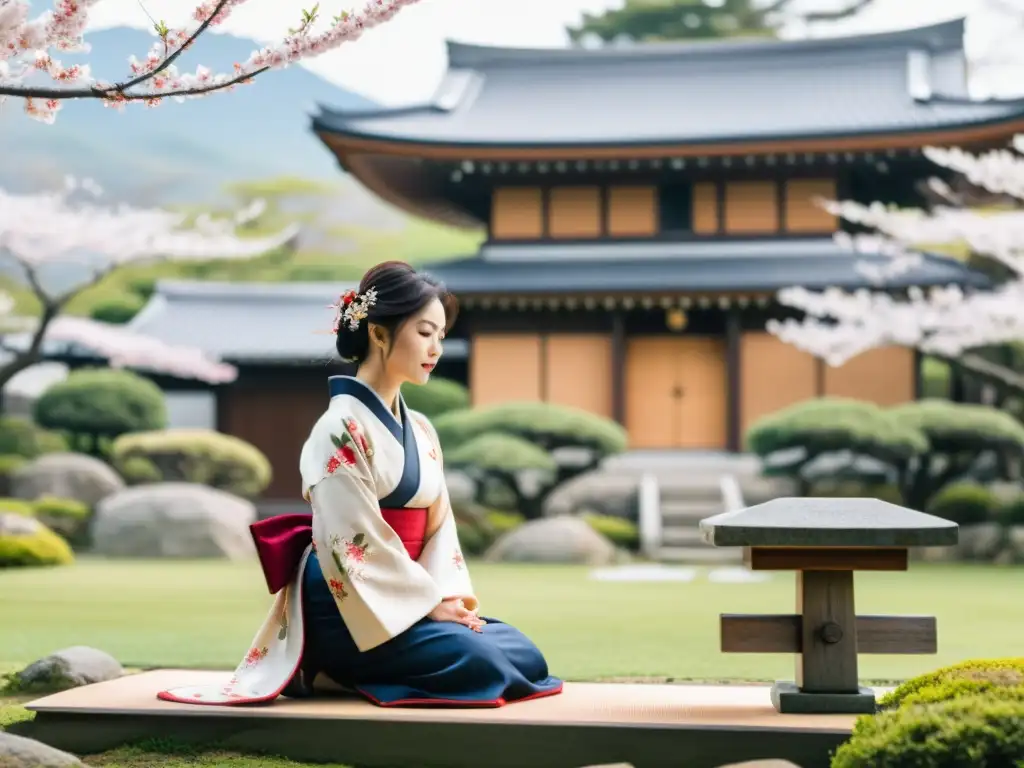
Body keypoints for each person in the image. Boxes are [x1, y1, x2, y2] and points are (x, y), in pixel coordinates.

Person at [158, 261, 563, 708]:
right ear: (379, 334)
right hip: (349, 600)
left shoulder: (423, 429)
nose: (436, 349)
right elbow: (352, 540)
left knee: (522, 655)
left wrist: (444, 599)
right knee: (483, 665)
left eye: (441, 337)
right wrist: (429, 605)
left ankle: (362, 664)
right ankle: (328, 664)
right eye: (425, 332)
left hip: (408, 593)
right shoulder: (338, 428)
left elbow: (439, 528)